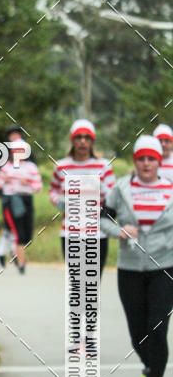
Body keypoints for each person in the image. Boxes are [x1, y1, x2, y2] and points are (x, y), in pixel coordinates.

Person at [101, 135, 173, 377]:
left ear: (159, 161)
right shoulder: (121, 188)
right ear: (135, 161)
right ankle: (149, 365)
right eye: (141, 158)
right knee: (137, 332)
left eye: (151, 159)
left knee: (158, 326)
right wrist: (118, 231)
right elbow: (101, 216)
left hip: (164, 267)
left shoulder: (170, 188)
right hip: (130, 267)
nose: (146, 163)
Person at [50, 118, 115, 276]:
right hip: (70, 233)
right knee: (77, 284)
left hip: (97, 233)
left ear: (92, 141)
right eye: (78, 137)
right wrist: (59, 201)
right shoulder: (61, 166)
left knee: (92, 285)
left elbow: (114, 197)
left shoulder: (104, 166)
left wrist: (100, 188)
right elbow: (53, 191)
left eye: (87, 137)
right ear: (72, 140)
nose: (82, 142)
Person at [0, 138, 42, 274]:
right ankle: (21, 263)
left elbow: (38, 187)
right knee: (18, 232)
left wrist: (28, 183)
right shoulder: (6, 168)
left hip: (26, 199)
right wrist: (3, 180)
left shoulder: (31, 167)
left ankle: (13, 253)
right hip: (11, 201)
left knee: (27, 234)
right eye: (16, 151)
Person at [0, 124, 26, 268]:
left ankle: (3, 252)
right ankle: (9, 252)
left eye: (16, 134)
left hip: (23, 195)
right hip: (8, 196)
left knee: (14, 226)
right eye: (12, 135)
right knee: (12, 226)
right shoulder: (4, 154)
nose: (14, 137)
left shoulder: (26, 151)